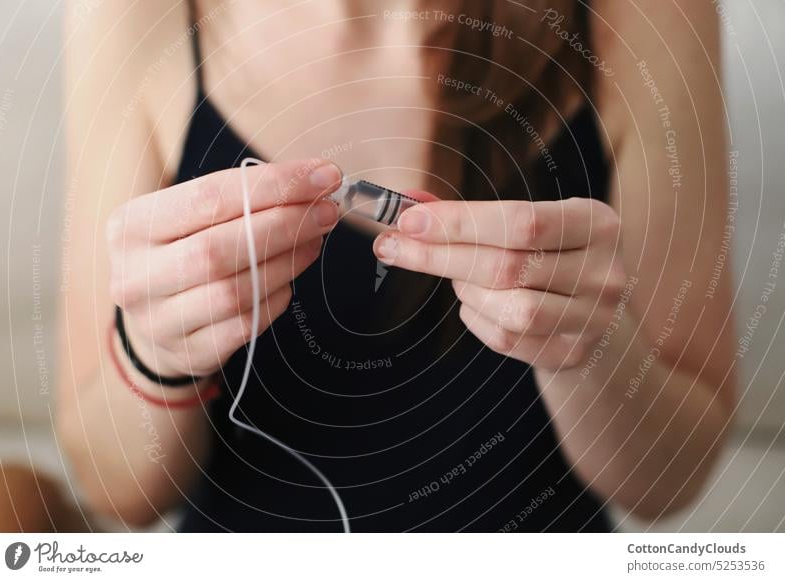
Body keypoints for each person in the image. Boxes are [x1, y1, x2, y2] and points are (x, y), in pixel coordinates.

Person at [57, 0, 737, 532]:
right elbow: (115, 490)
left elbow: (673, 479)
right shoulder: (135, 14)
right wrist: (156, 351)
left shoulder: (648, 16)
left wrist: (590, 346)